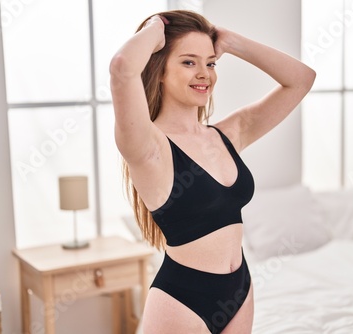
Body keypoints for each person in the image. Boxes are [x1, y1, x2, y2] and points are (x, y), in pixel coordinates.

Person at [110, 9, 315, 334]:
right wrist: (154, 28)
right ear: (159, 68)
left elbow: (301, 79)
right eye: (189, 62)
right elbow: (122, 67)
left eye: (210, 62)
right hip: (182, 300)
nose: (204, 73)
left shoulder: (228, 134)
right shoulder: (147, 147)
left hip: (239, 287)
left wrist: (232, 42)